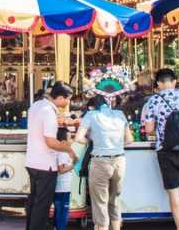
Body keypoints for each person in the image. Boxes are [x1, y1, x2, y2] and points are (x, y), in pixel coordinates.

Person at [141, 68, 179, 230]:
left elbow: (148, 129)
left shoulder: (153, 100)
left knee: (174, 192)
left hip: (165, 150)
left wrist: (161, 130)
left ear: (159, 83)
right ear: (175, 81)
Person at [74, 94, 132, 230]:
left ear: (92, 106)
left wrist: (92, 140)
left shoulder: (91, 115)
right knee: (115, 200)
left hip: (100, 162)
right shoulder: (120, 114)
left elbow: (78, 138)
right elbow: (129, 140)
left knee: (100, 202)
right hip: (119, 161)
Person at [25, 81, 77, 230]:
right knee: (42, 206)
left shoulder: (36, 105)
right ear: (60, 97)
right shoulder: (49, 111)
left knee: (34, 202)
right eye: (68, 99)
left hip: (32, 161)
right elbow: (51, 141)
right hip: (45, 165)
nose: (68, 102)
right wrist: (68, 150)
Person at [53, 128, 74, 230]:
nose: (72, 141)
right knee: (63, 212)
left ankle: (58, 227)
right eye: (70, 138)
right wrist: (73, 165)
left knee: (59, 211)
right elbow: (61, 169)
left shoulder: (61, 152)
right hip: (63, 188)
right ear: (63, 142)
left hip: (61, 188)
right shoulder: (62, 152)